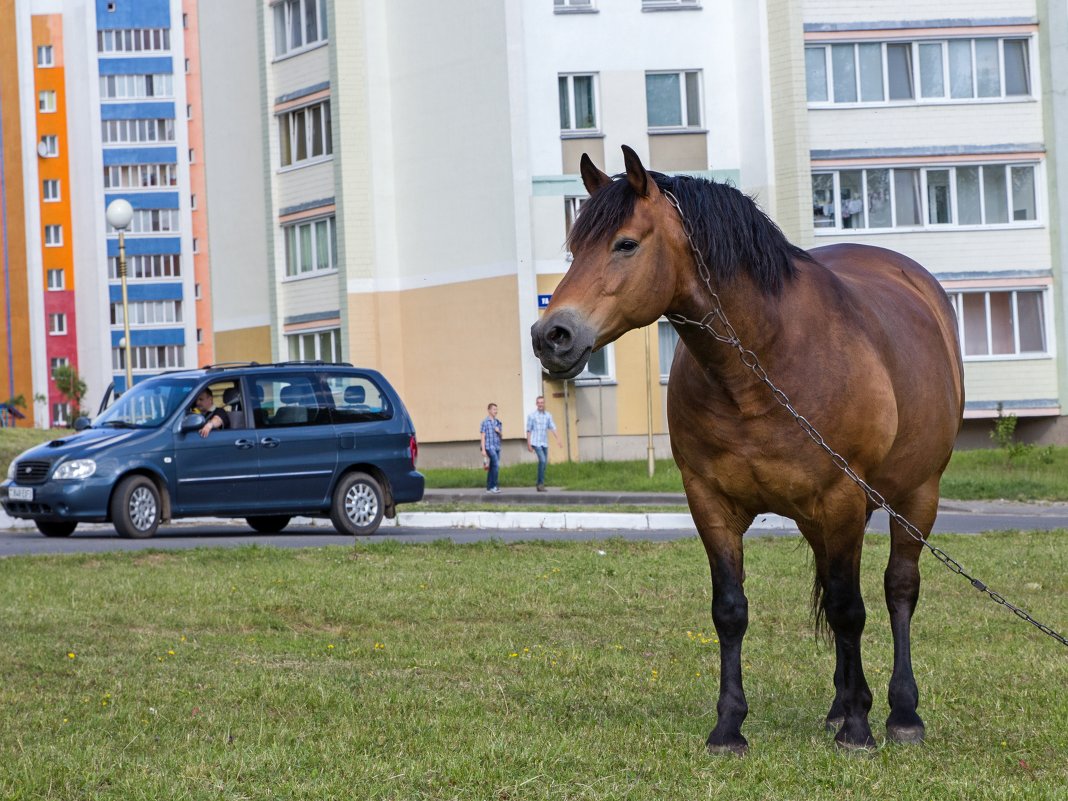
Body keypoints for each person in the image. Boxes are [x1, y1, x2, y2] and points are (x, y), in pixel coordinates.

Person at [525, 395, 561, 492]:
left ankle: (539, 483)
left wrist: (558, 439)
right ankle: (540, 484)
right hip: (535, 442)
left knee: (544, 464)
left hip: (544, 443)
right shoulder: (532, 416)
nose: (540, 404)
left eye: (542, 402)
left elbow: (552, 427)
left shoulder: (548, 415)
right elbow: (528, 430)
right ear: (536, 404)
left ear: (544, 404)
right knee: (543, 460)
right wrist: (528, 444)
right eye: (539, 402)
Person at [479, 402, 503, 493]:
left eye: (496, 409)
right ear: (489, 410)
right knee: (496, 465)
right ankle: (494, 486)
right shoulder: (485, 422)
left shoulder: (498, 422)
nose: (495, 411)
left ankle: (489, 487)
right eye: (494, 409)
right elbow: (482, 436)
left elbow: (501, 436)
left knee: (492, 466)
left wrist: (499, 431)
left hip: (497, 447)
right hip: (489, 447)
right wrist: (483, 449)